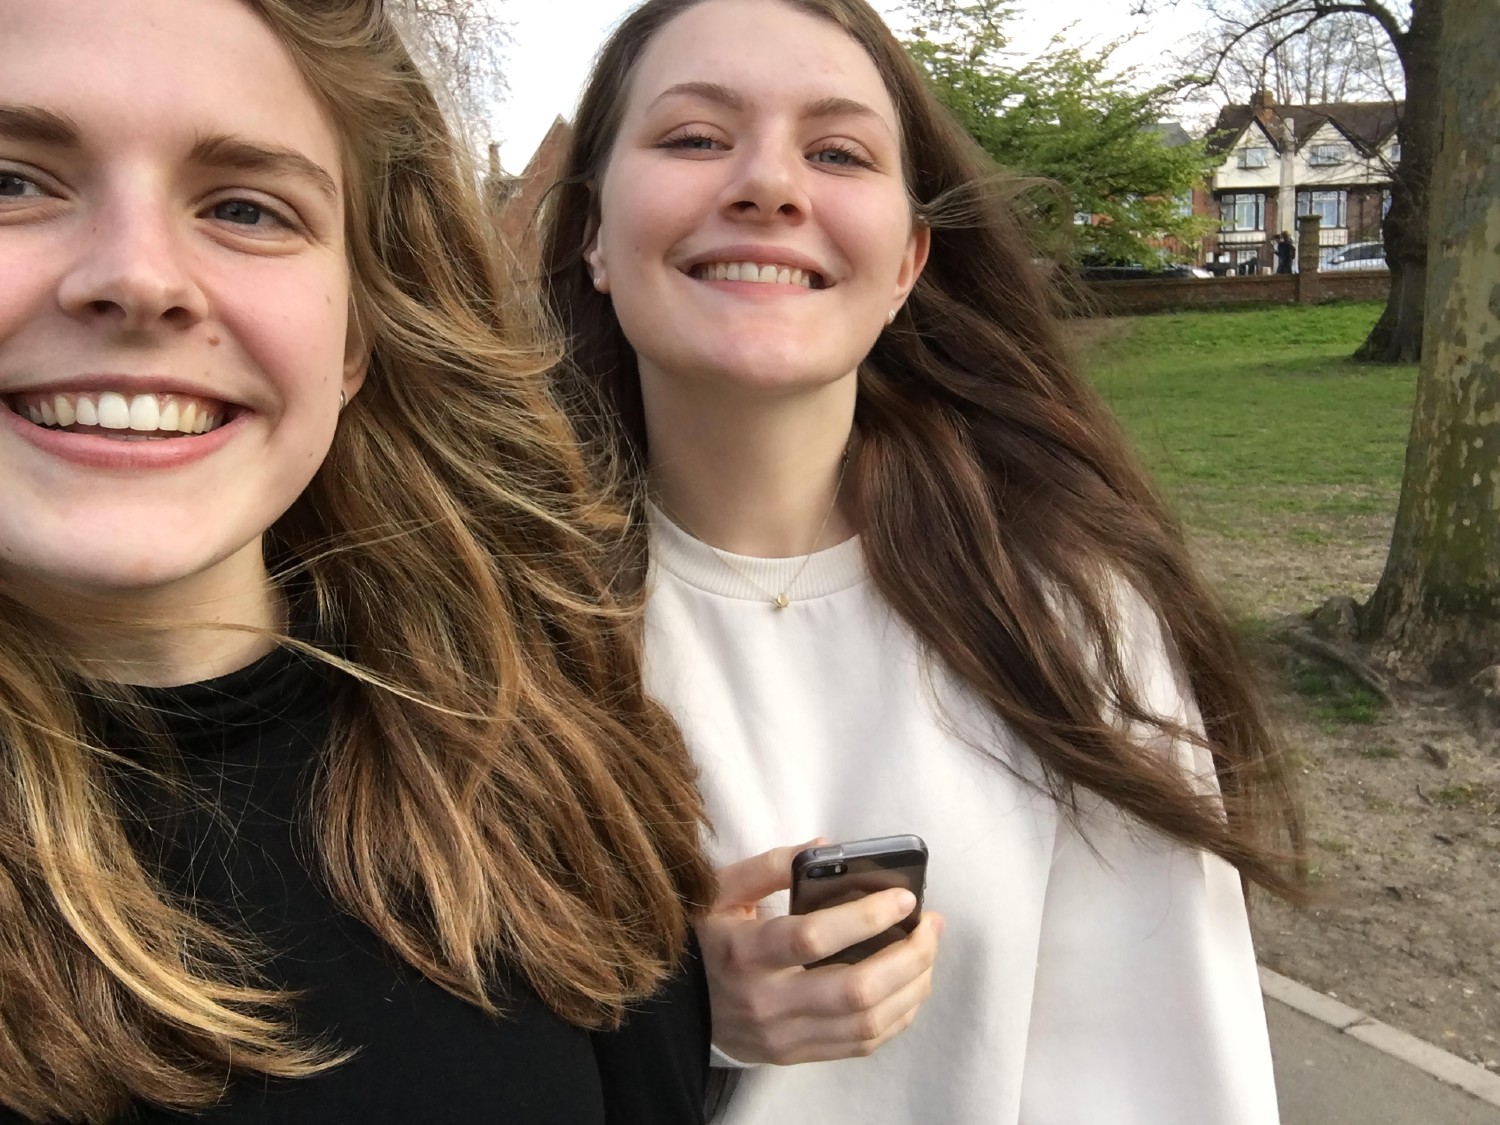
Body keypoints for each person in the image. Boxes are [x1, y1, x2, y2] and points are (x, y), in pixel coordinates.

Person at [540, 1, 1305, 1122]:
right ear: (595, 234)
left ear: (907, 261)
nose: (770, 185)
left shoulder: (1064, 618)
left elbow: (1169, 1074)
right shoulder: (478, 628)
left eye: (838, 151)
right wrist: (674, 1021)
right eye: (696, 138)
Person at [0, 0, 716, 1121]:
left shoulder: (544, 771)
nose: (138, 278)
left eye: (246, 207)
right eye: (12, 184)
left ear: (353, 337)